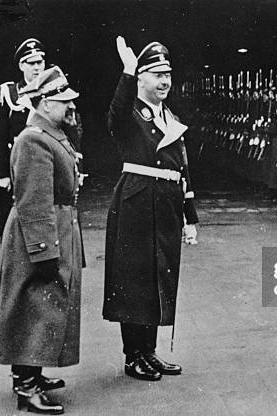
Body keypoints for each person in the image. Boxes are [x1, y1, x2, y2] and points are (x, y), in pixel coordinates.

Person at [103, 37, 199, 381]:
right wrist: (126, 74)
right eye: (157, 74)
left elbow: (183, 167)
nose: (164, 81)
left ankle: (150, 351)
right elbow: (114, 114)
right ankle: (134, 356)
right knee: (135, 279)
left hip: (167, 204)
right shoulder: (130, 113)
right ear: (141, 78)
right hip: (137, 201)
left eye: (168, 75)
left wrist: (191, 218)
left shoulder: (168, 114)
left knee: (159, 275)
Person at [0, 65, 83, 414]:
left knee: (42, 306)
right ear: (44, 103)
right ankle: (26, 387)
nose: (69, 107)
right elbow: (33, 201)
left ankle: (31, 374)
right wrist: (44, 252)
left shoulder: (50, 133)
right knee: (35, 307)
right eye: (62, 101)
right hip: (40, 233)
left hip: (53, 228)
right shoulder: (33, 139)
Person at [0, 38, 46, 234]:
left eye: (40, 62)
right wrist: (2, 173)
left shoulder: (54, 88)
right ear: (21, 65)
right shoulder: (10, 93)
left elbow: (72, 130)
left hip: (47, 159)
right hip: (19, 162)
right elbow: (0, 136)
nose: (37, 68)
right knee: (19, 216)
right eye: (31, 63)